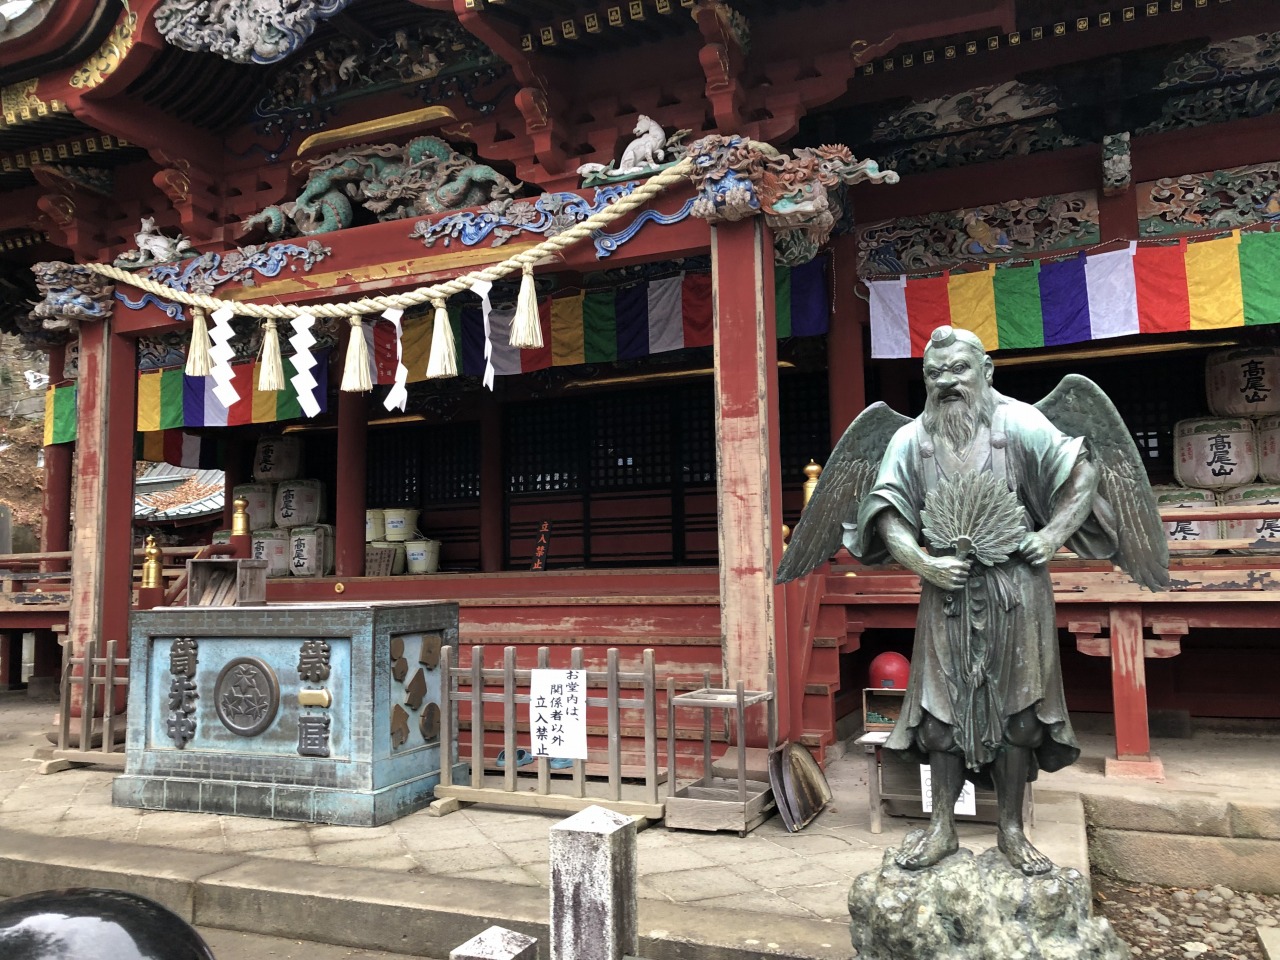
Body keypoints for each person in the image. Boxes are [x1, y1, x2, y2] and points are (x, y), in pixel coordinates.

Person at [851, 325, 1117, 875]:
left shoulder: (1021, 422)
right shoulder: (912, 440)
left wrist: (1051, 536)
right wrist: (923, 562)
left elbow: (1085, 470)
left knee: (1020, 714)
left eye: (958, 369)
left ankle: (1011, 830)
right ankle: (941, 828)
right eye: (934, 374)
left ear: (986, 371)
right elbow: (886, 513)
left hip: (1016, 589)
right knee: (938, 715)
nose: (947, 382)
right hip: (945, 590)